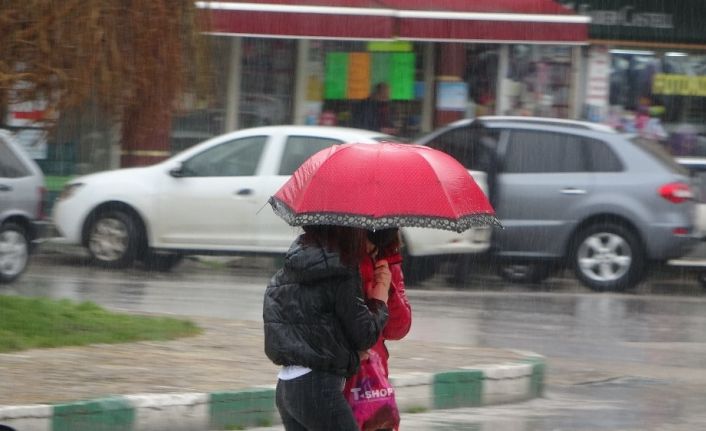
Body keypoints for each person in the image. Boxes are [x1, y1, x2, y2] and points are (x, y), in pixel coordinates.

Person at [263, 225, 392, 431]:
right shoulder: (342, 269)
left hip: (287, 387)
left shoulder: (290, 269)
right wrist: (380, 300)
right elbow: (364, 335)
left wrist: (350, 355)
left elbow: (310, 332)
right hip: (318, 388)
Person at [351, 228, 412, 431]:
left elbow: (399, 328)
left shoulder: (389, 258)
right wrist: (373, 299)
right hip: (343, 375)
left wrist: (388, 290)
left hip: (373, 378)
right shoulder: (342, 257)